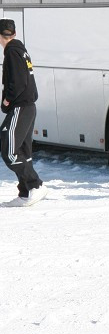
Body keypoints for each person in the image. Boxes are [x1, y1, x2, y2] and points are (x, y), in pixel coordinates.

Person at [0, 19, 47, 207]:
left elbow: (18, 83)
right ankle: (26, 192)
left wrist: (7, 100)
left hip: (20, 107)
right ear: (14, 34)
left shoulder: (12, 51)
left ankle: (36, 185)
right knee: (23, 151)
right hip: (28, 107)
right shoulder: (21, 50)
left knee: (9, 150)